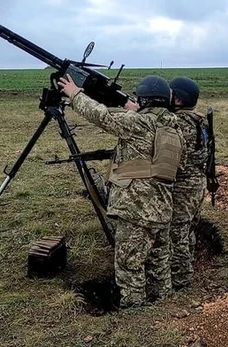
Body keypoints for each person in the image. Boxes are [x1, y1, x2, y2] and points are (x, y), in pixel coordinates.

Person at [58, 74, 185, 308]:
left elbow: (102, 116)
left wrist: (74, 93)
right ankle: (163, 303)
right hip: (161, 207)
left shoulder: (139, 124)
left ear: (144, 100)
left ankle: (133, 307)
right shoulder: (172, 126)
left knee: (129, 262)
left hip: (137, 208)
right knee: (158, 260)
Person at [166, 76, 208, 289]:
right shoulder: (197, 119)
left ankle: (181, 279)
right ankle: (188, 263)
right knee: (188, 229)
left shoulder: (180, 122)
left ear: (179, 101)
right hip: (196, 184)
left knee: (177, 234)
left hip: (183, 187)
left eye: (170, 93)